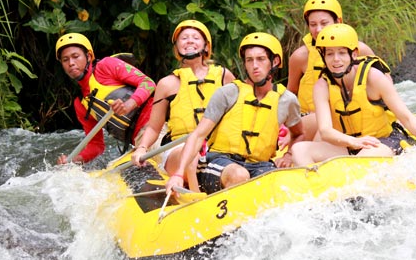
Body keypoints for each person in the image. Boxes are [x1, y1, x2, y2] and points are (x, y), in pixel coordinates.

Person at [165, 32, 305, 195]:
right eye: (249, 60)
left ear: (274, 62)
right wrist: (179, 173)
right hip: (219, 162)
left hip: (260, 165)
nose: (254, 66)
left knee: (281, 185)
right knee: (240, 175)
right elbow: (197, 136)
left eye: (260, 59)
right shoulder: (228, 93)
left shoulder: (287, 100)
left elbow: (299, 134)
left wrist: (288, 155)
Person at [290, 24, 416, 166]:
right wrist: (354, 142)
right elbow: (325, 131)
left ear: (354, 54)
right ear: (323, 56)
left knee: (360, 160)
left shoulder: (373, 78)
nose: (335, 59)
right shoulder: (321, 86)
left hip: (383, 141)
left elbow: (406, 117)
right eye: (329, 53)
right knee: (299, 149)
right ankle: (313, 183)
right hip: (350, 144)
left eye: (342, 53)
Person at [130, 20, 236, 191]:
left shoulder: (224, 76)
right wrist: (141, 148)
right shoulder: (167, 84)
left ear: (206, 47)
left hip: (217, 145)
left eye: (196, 37)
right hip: (179, 148)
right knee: (191, 155)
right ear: (176, 48)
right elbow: (154, 127)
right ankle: (194, 197)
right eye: (184, 38)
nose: (189, 41)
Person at [55, 33, 155, 165]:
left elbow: (148, 83)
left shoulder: (106, 66)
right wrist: (73, 160)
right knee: (113, 169)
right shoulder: (80, 103)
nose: (71, 63)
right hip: (138, 141)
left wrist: (129, 104)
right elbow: (96, 145)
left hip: (156, 125)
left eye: (75, 56)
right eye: (65, 60)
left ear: (89, 56)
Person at [287, 0, 377, 139]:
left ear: (338, 21)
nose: (318, 30)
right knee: (320, 119)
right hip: (312, 119)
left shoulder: (359, 50)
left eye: (324, 23)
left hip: (350, 114)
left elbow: (385, 88)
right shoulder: (300, 57)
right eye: (313, 24)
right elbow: (289, 95)